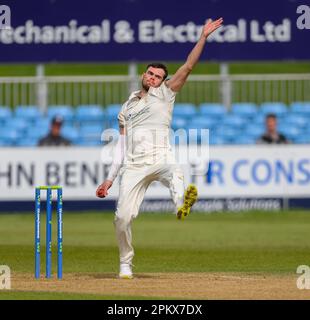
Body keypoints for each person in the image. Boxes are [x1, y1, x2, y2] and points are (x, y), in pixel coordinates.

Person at [96, 18, 223, 279]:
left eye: (158, 77)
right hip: (133, 166)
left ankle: (181, 204)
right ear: (144, 74)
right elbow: (121, 146)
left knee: (175, 173)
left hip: (160, 157)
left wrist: (203, 38)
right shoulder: (126, 107)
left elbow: (188, 66)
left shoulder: (165, 93)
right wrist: (109, 178)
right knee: (122, 217)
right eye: (150, 74)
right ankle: (125, 263)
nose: (153, 79)